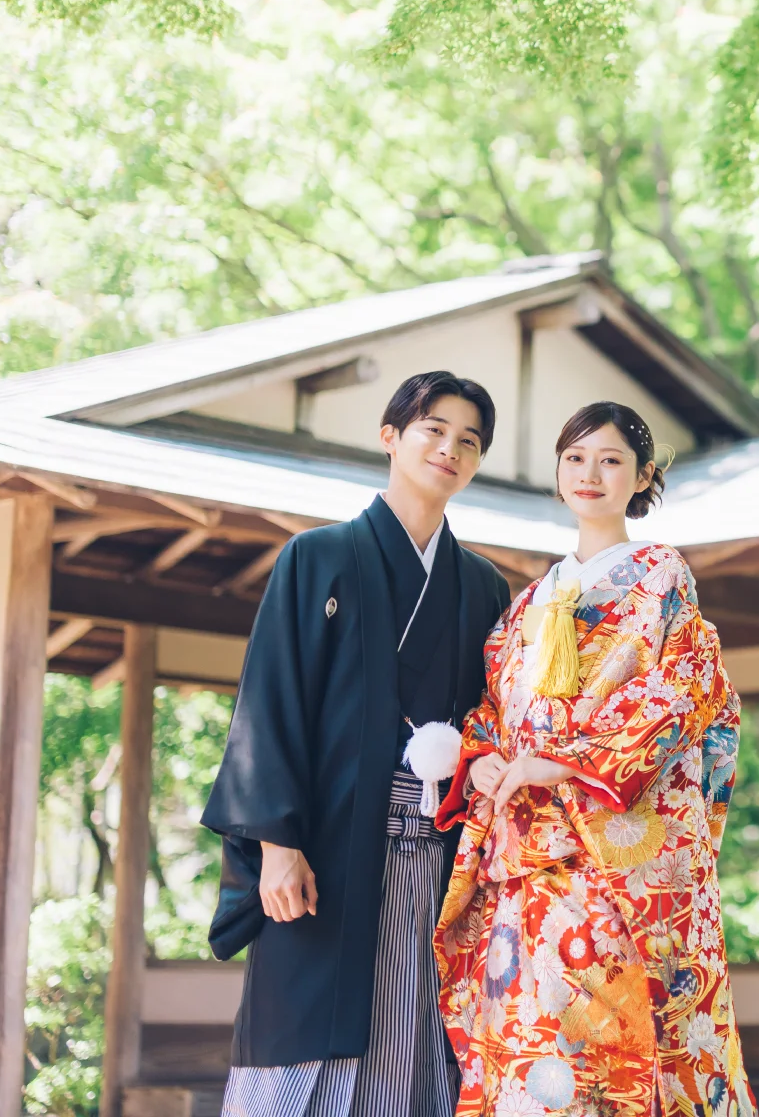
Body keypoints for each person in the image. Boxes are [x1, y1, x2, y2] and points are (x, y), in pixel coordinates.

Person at [203, 371, 514, 1117]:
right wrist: (276, 844)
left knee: (415, 1041)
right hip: (327, 853)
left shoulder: (484, 588)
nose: (449, 449)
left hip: (436, 859)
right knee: (305, 1036)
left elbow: (497, 721)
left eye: (468, 441)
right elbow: (271, 701)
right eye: (433, 430)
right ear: (391, 437)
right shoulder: (316, 558)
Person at [433, 400, 756, 1117]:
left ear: (641, 478)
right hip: (526, 861)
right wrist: (484, 757)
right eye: (575, 458)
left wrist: (567, 763)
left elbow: (680, 690)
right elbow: (493, 707)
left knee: (609, 1033)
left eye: (611, 460)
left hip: (608, 855)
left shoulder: (659, 575)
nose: (590, 474)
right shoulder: (527, 603)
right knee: (529, 1039)